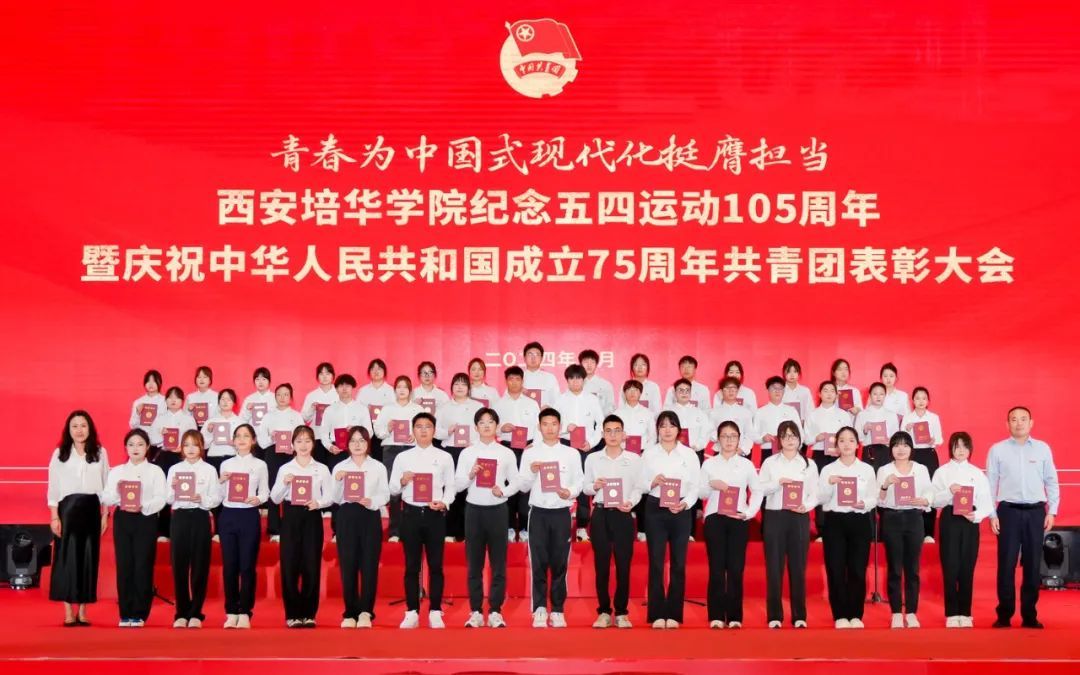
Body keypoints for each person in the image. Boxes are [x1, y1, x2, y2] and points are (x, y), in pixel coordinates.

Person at [987, 406, 1060, 629]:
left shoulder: (1042, 449)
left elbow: (1051, 480)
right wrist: (992, 514)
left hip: (1035, 512)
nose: (1018, 423)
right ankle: (1004, 614)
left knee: (1032, 565)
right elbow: (990, 484)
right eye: (1013, 419)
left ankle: (1029, 615)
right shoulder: (997, 450)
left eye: (1023, 419)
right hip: (1007, 512)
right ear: (1007, 424)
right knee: (1006, 564)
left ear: (1031, 423)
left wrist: (1052, 510)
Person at [389, 413, 456, 629]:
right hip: (410, 515)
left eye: (428, 426)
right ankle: (412, 611)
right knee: (411, 566)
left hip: (434, 515)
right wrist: (402, 480)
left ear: (434, 430)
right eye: (419, 426)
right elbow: (393, 489)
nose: (424, 430)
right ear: (413, 430)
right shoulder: (403, 457)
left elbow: (451, 486)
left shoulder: (444, 457)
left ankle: (435, 610)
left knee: (436, 565)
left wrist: (444, 502)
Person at [519, 408, 584, 628]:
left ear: (560, 426)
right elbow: (523, 485)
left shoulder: (571, 453)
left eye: (554, 424)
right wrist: (531, 471)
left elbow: (579, 481)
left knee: (559, 563)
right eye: (545, 424)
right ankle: (539, 608)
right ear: (539, 427)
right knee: (538, 563)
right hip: (538, 513)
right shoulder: (530, 453)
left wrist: (569, 492)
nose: (549, 428)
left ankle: (557, 609)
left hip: (561, 513)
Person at [456, 408, 520, 628]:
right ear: (476, 427)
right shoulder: (467, 453)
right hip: (473, 511)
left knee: (498, 564)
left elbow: (516, 482)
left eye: (490, 422)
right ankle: (475, 611)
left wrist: (503, 491)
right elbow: (458, 485)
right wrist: (471, 475)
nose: (486, 426)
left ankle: (495, 611)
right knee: (474, 564)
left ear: (496, 426)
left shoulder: (506, 453)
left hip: (497, 511)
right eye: (482, 422)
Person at [48, 410, 110, 626]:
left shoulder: (100, 452)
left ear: (90, 428)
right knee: (66, 559)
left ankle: (83, 610)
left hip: (92, 509)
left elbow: (106, 485)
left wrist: (105, 514)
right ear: (68, 430)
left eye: (83, 425)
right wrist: (54, 516)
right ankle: (67, 610)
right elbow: (53, 487)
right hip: (68, 511)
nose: (79, 430)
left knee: (88, 558)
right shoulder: (59, 454)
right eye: (74, 426)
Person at [641, 411, 700, 629]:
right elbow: (639, 483)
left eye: (671, 425)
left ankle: (674, 613)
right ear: (657, 429)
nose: (667, 430)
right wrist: (652, 482)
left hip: (680, 509)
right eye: (663, 425)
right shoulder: (649, 453)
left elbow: (695, 486)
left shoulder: (689, 454)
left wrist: (686, 504)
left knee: (678, 563)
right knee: (656, 562)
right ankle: (656, 613)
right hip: (655, 509)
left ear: (678, 429)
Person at [699, 420, 761, 629]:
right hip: (715, 518)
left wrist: (749, 513)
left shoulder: (746, 464)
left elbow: (757, 490)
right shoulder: (709, 464)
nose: (729, 440)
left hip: (738, 519)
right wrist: (711, 484)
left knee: (735, 568)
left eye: (733, 436)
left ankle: (735, 616)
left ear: (739, 439)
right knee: (716, 568)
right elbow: (701, 493)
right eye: (724, 436)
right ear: (718, 440)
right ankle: (716, 615)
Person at [583, 414, 643, 629]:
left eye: (617, 430)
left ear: (624, 434)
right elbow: (585, 488)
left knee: (623, 566)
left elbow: (639, 487)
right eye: (608, 431)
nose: (613, 435)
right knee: (601, 566)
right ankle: (603, 611)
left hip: (623, 514)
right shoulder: (593, 459)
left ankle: (622, 612)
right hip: (600, 514)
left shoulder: (634, 459)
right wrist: (595, 486)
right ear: (602, 434)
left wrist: (631, 502)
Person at [102, 429, 166, 627]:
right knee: (125, 565)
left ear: (147, 447)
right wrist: (117, 492)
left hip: (145, 519)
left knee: (143, 565)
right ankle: (125, 612)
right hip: (123, 520)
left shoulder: (155, 471)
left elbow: (161, 498)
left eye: (140, 444)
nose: (135, 448)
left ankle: (139, 613)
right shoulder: (117, 472)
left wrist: (143, 506)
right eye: (131, 444)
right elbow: (106, 498)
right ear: (125, 448)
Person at [270, 425, 333, 627]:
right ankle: (292, 614)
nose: (303, 445)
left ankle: (309, 613)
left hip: (312, 515)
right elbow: (274, 498)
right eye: (299, 441)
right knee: (289, 565)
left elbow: (330, 496)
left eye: (307, 441)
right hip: (291, 516)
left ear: (313, 444)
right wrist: (284, 483)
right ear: (292, 445)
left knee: (311, 565)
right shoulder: (285, 469)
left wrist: (319, 503)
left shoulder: (321, 469)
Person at [759, 420, 818, 628]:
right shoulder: (770, 463)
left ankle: (799, 615)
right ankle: (774, 615)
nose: (789, 440)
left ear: (800, 439)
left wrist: (806, 506)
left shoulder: (809, 464)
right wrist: (777, 483)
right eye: (785, 436)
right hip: (775, 516)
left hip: (799, 517)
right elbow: (760, 489)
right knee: (774, 567)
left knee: (798, 567)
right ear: (779, 440)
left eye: (793, 436)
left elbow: (815, 493)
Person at [932, 431, 993, 628]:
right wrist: (948, 492)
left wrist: (977, 515)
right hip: (949, 518)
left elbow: (987, 502)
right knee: (950, 566)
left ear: (970, 449)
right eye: (956, 446)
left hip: (970, 520)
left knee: (967, 566)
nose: (960, 450)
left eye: (965, 446)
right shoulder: (942, 472)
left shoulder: (977, 473)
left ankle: (965, 613)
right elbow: (933, 501)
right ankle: (951, 613)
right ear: (950, 448)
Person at [818, 426, 877, 629]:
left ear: (857, 444)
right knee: (835, 568)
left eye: (851, 440)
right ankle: (840, 615)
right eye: (842, 440)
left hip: (859, 521)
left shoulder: (866, 469)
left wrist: (864, 503)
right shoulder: (828, 470)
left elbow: (873, 497)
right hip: (834, 522)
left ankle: (856, 614)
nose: (846, 444)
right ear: (836, 445)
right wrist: (829, 483)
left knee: (857, 569)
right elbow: (820, 498)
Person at [332, 426, 389, 628]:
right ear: (347, 444)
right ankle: (350, 612)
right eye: (353, 441)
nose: (357, 444)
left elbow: (385, 494)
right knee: (348, 565)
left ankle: (366, 611)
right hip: (347, 516)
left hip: (369, 515)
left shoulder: (378, 467)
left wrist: (372, 501)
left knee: (369, 564)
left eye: (362, 440)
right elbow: (334, 498)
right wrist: (339, 481)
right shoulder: (339, 467)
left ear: (368, 443)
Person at [877, 431, 934, 628]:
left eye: (905, 445)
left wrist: (924, 500)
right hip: (891, 518)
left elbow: (929, 492)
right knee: (894, 568)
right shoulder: (884, 470)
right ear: (891, 449)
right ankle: (895, 612)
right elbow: (878, 500)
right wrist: (885, 485)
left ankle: (911, 612)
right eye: (896, 445)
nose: (900, 449)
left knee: (912, 569)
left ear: (911, 448)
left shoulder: (920, 469)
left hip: (914, 518)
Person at [165, 430, 221, 628]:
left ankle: (196, 612)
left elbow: (216, 498)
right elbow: (167, 499)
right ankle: (181, 612)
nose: (190, 449)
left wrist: (202, 499)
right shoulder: (174, 469)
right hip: (179, 518)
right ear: (181, 448)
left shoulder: (209, 470)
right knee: (179, 566)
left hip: (200, 517)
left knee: (200, 566)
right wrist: (173, 488)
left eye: (195, 445)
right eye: (186, 445)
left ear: (201, 447)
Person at [216, 424, 270, 628]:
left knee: (247, 566)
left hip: (249, 515)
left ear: (253, 440)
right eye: (238, 436)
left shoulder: (260, 465)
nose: (241, 439)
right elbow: (218, 496)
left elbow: (265, 492)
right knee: (230, 565)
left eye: (246, 436)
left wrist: (257, 499)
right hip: (228, 515)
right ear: (233, 440)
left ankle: (245, 611)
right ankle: (231, 611)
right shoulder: (226, 464)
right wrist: (220, 481)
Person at [554, 364, 604, 542]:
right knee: (563, 482)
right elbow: (552, 425)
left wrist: (592, 443)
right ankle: (562, 526)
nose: (575, 382)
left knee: (583, 486)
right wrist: (564, 429)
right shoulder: (560, 400)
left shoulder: (592, 400)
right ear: (567, 380)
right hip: (565, 445)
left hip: (585, 447)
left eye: (578, 378)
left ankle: (582, 527)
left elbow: (601, 424)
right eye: (571, 378)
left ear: (584, 380)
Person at [373, 376, 424, 542]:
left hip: (411, 450)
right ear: (395, 390)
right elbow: (378, 432)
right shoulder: (387, 409)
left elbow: (424, 429)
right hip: (391, 450)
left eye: (405, 387)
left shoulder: (417, 409)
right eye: (399, 387)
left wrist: (415, 436)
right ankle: (394, 531)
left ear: (410, 390)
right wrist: (387, 429)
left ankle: (411, 530)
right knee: (394, 489)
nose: (402, 390)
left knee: (412, 489)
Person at [493, 366, 541, 542]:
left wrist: (535, 445)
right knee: (509, 485)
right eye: (511, 379)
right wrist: (501, 429)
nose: (514, 382)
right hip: (507, 448)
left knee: (526, 486)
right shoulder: (498, 404)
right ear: (506, 381)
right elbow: (490, 428)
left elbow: (539, 427)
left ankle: (526, 528)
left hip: (528, 448)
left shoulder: (531, 403)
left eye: (517, 379)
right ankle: (510, 527)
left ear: (522, 381)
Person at [436, 372, 482, 542]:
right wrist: (447, 432)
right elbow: (436, 431)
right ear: (451, 388)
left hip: (470, 452)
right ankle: (449, 531)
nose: (460, 387)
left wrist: (474, 444)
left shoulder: (477, 407)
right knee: (450, 488)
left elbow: (483, 429)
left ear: (469, 388)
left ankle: (467, 532)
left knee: (469, 490)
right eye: (456, 384)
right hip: (450, 452)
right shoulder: (444, 408)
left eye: (463, 384)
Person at [805, 381, 854, 539]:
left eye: (832, 391)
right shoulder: (813, 414)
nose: (828, 394)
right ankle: (821, 529)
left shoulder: (843, 415)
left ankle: (840, 527)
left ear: (836, 394)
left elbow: (851, 436)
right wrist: (816, 437)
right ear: (819, 394)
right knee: (821, 489)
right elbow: (806, 439)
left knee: (841, 487)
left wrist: (842, 445)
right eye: (825, 390)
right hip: (820, 454)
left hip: (839, 455)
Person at [259, 384, 305, 543]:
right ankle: (274, 528)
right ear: (275, 397)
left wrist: (294, 447)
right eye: (279, 394)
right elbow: (261, 440)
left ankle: (292, 527)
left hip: (292, 454)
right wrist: (271, 438)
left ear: (291, 397)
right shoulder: (268, 416)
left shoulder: (297, 416)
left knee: (293, 488)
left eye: (286, 394)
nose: (282, 397)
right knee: (274, 488)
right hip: (273, 454)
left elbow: (302, 437)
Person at [901, 387, 944, 542]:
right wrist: (906, 430)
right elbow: (902, 439)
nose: (921, 401)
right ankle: (911, 530)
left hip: (929, 454)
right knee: (911, 489)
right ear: (913, 400)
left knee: (929, 490)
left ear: (928, 401)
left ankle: (928, 533)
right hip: (913, 454)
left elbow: (940, 439)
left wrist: (933, 440)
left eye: (924, 398)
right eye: (917, 398)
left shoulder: (933, 417)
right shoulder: (907, 418)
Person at [753, 376, 801, 462]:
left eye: (780, 388)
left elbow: (800, 432)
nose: (777, 391)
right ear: (768, 390)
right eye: (774, 388)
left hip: (789, 450)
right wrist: (763, 438)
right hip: (768, 450)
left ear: (784, 391)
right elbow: (754, 435)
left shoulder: (792, 411)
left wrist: (796, 447)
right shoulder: (760, 412)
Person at [855, 382, 900, 471]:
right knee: (870, 477)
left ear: (885, 396)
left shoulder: (892, 415)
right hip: (869, 451)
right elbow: (858, 438)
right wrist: (865, 431)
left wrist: (890, 440)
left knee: (885, 477)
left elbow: (896, 436)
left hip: (886, 451)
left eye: (881, 394)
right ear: (870, 395)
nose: (878, 397)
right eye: (875, 394)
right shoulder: (862, 414)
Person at [300, 362, 338, 465]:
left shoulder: (338, 394)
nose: (325, 377)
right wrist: (312, 409)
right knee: (317, 468)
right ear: (317, 377)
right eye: (321, 374)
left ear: (333, 376)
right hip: (317, 436)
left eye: (328, 373)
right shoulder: (311, 396)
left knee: (334, 468)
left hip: (334, 438)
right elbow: (304, 418)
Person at [708, 377, 754, 458]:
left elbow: (750, 434)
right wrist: (722, 439)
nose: (731, 391)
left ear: (738, 391)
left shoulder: (746, 412)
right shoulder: (714, 412)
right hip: (720, 452)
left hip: (740, 453)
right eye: (727, 388)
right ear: (721, 391)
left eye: (734, 388)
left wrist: (742, 449)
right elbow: (710, 432)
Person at [150, 386, 197, 461]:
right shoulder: (159, 419)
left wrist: (183, 447)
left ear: (182, 401)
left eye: (177, 398)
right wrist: (161, 435)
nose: (173, 400)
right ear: (166, 400)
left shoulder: (189, 419)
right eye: (170, 397)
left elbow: (195, 439)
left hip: (184, 455)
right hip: (164, 455)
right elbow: (152, 440)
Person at [239, 367, 276, 449]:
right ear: (254, 382)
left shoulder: (275, 398)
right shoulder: (249, 399)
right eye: (257, 379)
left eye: (264, 379)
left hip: (271, 440)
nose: (260, 382)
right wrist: (248, 411)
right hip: (254, 441)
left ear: (269, 381)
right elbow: (241, 420)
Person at [521, 342, 561, 409]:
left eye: (537, 354)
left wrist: (548, 408)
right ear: (524, 358)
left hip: (544, 415)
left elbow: (557, 401)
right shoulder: (517, 378)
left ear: (542, 358)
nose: (533, 358)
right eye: (530, 354)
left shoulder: (550, 378)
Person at [130, 369, 166, 436]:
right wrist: (138, 413)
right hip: (143, 438)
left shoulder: (165, 401)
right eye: (148, 381)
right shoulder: (138, 402)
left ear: (159, 382)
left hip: (159, 438)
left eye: (154, 381)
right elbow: (132, 426)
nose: (151, 384)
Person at [579, 349, 616, 415]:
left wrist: (599, 416)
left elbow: (610, 406)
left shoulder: (605, 385)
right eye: (586, 362)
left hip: (601, 419)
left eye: (592, 362)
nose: (589, 365)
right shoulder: (576, 384)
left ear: (596, 364)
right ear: (581, 364)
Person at [780, 357, 813, 424]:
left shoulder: (805, 391)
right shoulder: (780, 391)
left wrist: (805, 424)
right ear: (784, 373)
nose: (792, 375)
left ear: (799, 373)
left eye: (795, 371)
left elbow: (810, 410)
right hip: (784, 425)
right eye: (789, 371)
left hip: (802, 425)